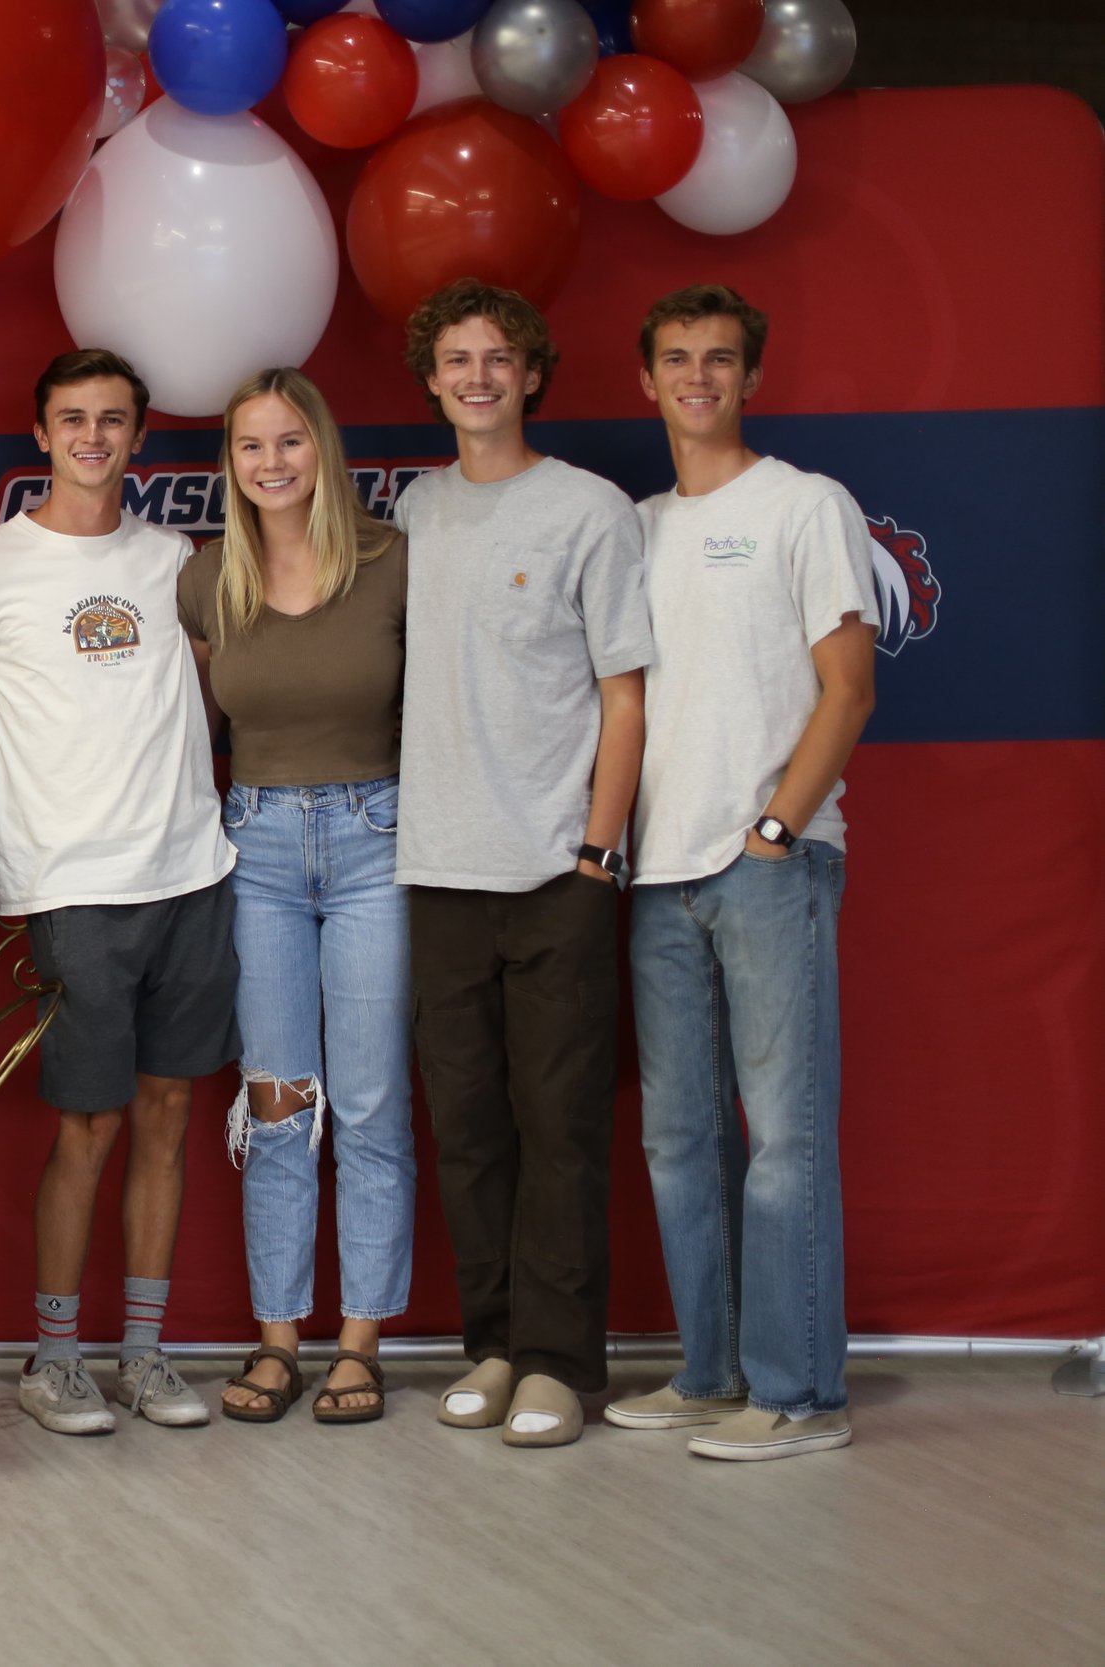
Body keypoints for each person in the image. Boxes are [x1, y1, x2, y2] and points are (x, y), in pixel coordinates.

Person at [0, 348, 237, 1436]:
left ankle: (142, 1354)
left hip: (194, 872)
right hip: (73, 885)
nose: (93, 436)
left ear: (138, 435)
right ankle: (53, 1360)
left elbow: (213, 697)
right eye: (73, 418)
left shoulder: (177, 560)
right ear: (41, 434)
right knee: (90, 1121)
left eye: (113, 419)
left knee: (168, 1113)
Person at [607, 285, 876, 1461]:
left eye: (719, 358)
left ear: (750, 376)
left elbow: (848, 688)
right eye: (676, 358)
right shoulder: (634, 528)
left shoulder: (804, 504)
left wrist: (774, 827)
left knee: (783, 1140)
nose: (698, 377)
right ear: (647, 379)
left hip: (768, 863)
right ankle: (712, 1375)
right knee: (679, 1141)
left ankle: (801, 1394)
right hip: (658, 874)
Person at [393, 279, 651, 1449]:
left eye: (498, 356)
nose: (478, 376)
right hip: (437, 871)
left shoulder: (589, 509)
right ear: (432, 379)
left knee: (559, 1126)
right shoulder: (414, 512)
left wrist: (597, 851)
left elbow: (623, 693)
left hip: (555, 871)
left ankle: (556, 1359)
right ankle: (493, 1343)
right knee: (467, 1128)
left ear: (532, 373)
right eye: (457, 358)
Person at [179, 368, 413, 1427]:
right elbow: (186, 725)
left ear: (322, 446)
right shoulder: (206, 579)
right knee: (277, 1104)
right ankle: (278, 1337)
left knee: (368, 1102)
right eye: (250, 445)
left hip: (377, 839)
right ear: (229, 461)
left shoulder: (392, 561)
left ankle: (359, 1340)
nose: (271, 462)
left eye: (289, 441)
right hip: (258, 847)